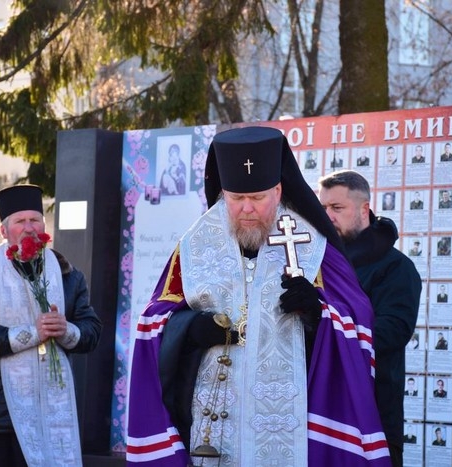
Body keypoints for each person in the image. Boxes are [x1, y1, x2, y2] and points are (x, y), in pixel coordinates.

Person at [126, 127, 390, 466]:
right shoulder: (195, 245)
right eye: (236, 199)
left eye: (258, 197)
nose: (247, 209)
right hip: (213, 429)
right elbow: (153, 320)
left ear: (278, 191)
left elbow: (358, 320)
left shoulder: (312, 246)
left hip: (293, 427)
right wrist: (190, 329)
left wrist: (318, 314)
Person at [0, 184, 103, 466]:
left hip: (51, 412)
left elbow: (91, 331)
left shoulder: (68, 275)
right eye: (20, 221)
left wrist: (66, 330)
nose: (29, 228)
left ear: (45, 226)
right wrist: (34, 333)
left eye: (35, 220)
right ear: (4, 230)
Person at [318, 169, 421, 467]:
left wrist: (323, 325)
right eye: (323, 207)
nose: (327, 216)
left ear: (364, 210)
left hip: (373, 415)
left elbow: (393, 331)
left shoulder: (397, 268)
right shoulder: (317, 262)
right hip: (320, 411)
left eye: (337, 207)